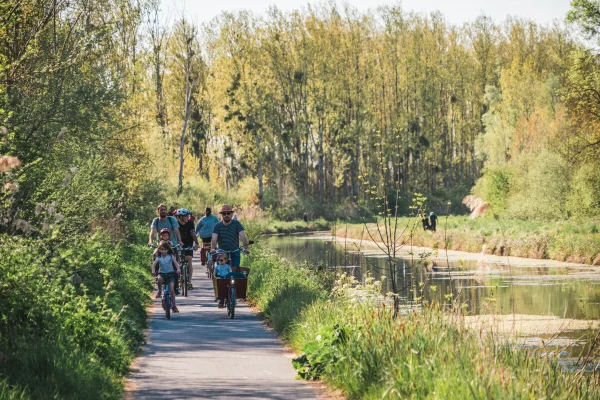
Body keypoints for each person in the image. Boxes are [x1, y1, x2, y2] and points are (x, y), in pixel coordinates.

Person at [211, 205, 250, 274]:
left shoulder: (236, 224)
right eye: (224, 213)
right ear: (222, 215)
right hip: (222, 252)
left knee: (234, 270)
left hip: (234, 250)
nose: (226, 215)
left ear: (231, 214)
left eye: (228, 213)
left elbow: (242, 236)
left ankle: (233, 281)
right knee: (220, 270)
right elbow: (214, 239)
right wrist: (212, 248)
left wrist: (246, 248)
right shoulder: (218, 226)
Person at [151, 241, 180, 313]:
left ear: (168, 249)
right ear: (159, 250)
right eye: (161, 249)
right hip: (162, 273)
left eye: (165, 249)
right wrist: (153, 271)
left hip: (171, 274)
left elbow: (176, 263)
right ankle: (160, 291)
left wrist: (178, 269)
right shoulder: (158, 257)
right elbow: (154, 265)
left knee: (171, 290)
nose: (163, 251)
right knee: (159, 279)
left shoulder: (170, 256)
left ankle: (174, 305)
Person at [175, 208, 199, 289]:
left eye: (188, 216)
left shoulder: (190, 223)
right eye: (186, 216)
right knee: (178, 261)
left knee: (188, 259)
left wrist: (196, 243)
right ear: (180, 217)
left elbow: (193, 233)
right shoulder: (176, 224)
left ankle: (189, 281)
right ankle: (178, 279)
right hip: (178, 244)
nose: (188, 217)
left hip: (188, 244)